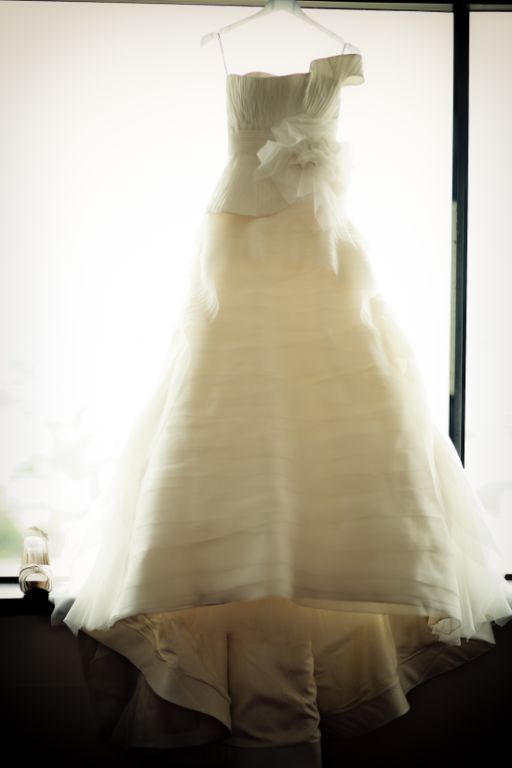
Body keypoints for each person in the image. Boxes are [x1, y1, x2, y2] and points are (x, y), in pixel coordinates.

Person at [49, 1, 512, 751]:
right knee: (230, 398)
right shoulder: (228, 51)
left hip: (320, 246)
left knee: (332, 405)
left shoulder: (326, 67)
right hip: (238, 242)